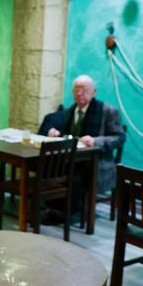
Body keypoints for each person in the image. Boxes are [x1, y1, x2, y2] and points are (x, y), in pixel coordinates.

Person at [46, 74, 125, 219]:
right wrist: (55, 133)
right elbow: (66, 134)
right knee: (47, 168)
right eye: (76, 89)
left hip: (96, 163)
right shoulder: (70, 111)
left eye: (84, 89)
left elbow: (119, 138)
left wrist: (96, 141)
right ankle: (49, 207)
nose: (80, 93)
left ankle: (64, 213)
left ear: (94, 91)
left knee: (74, 177)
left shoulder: (107, 111)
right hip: (71, 159)